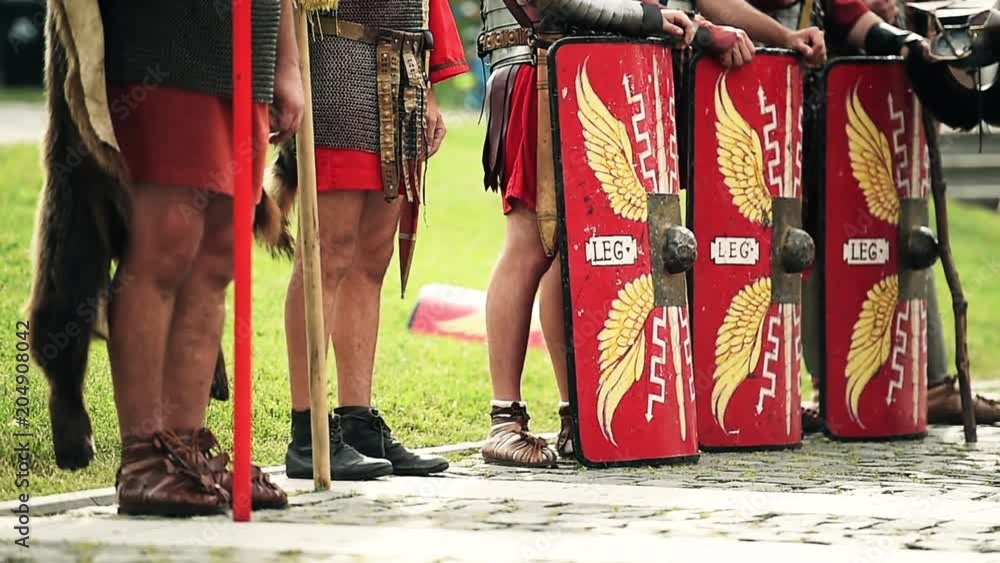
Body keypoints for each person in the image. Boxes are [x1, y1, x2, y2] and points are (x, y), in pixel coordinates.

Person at [30, 0, 303, 516]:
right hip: (162, 39)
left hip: (247, 46)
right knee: (166, 242)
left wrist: (286, 65)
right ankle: (144, 455)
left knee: (219, 257)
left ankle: (185, 448)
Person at [477, 0, 759, 467]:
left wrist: (690, 28)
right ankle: (504, 420)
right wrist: (651, 19)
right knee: (530, 244)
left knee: (567, 254)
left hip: (584, 63)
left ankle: (577, 416)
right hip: (538, 64)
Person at [698, 0, 1000, 427]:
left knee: (883, 230)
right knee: (767, 241)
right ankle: (761, 392)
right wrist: (784, 37)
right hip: (745, 85)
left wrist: (910, 43)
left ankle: (896, 385)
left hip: (817, 87)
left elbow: (850, 14)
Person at [272, 0, 471, 480]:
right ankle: (309, 431)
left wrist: (427, 91)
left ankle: (356, 421)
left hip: (401, 74)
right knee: (327, 253)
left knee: (371, 260)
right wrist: (288, 70)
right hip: (335, 60)